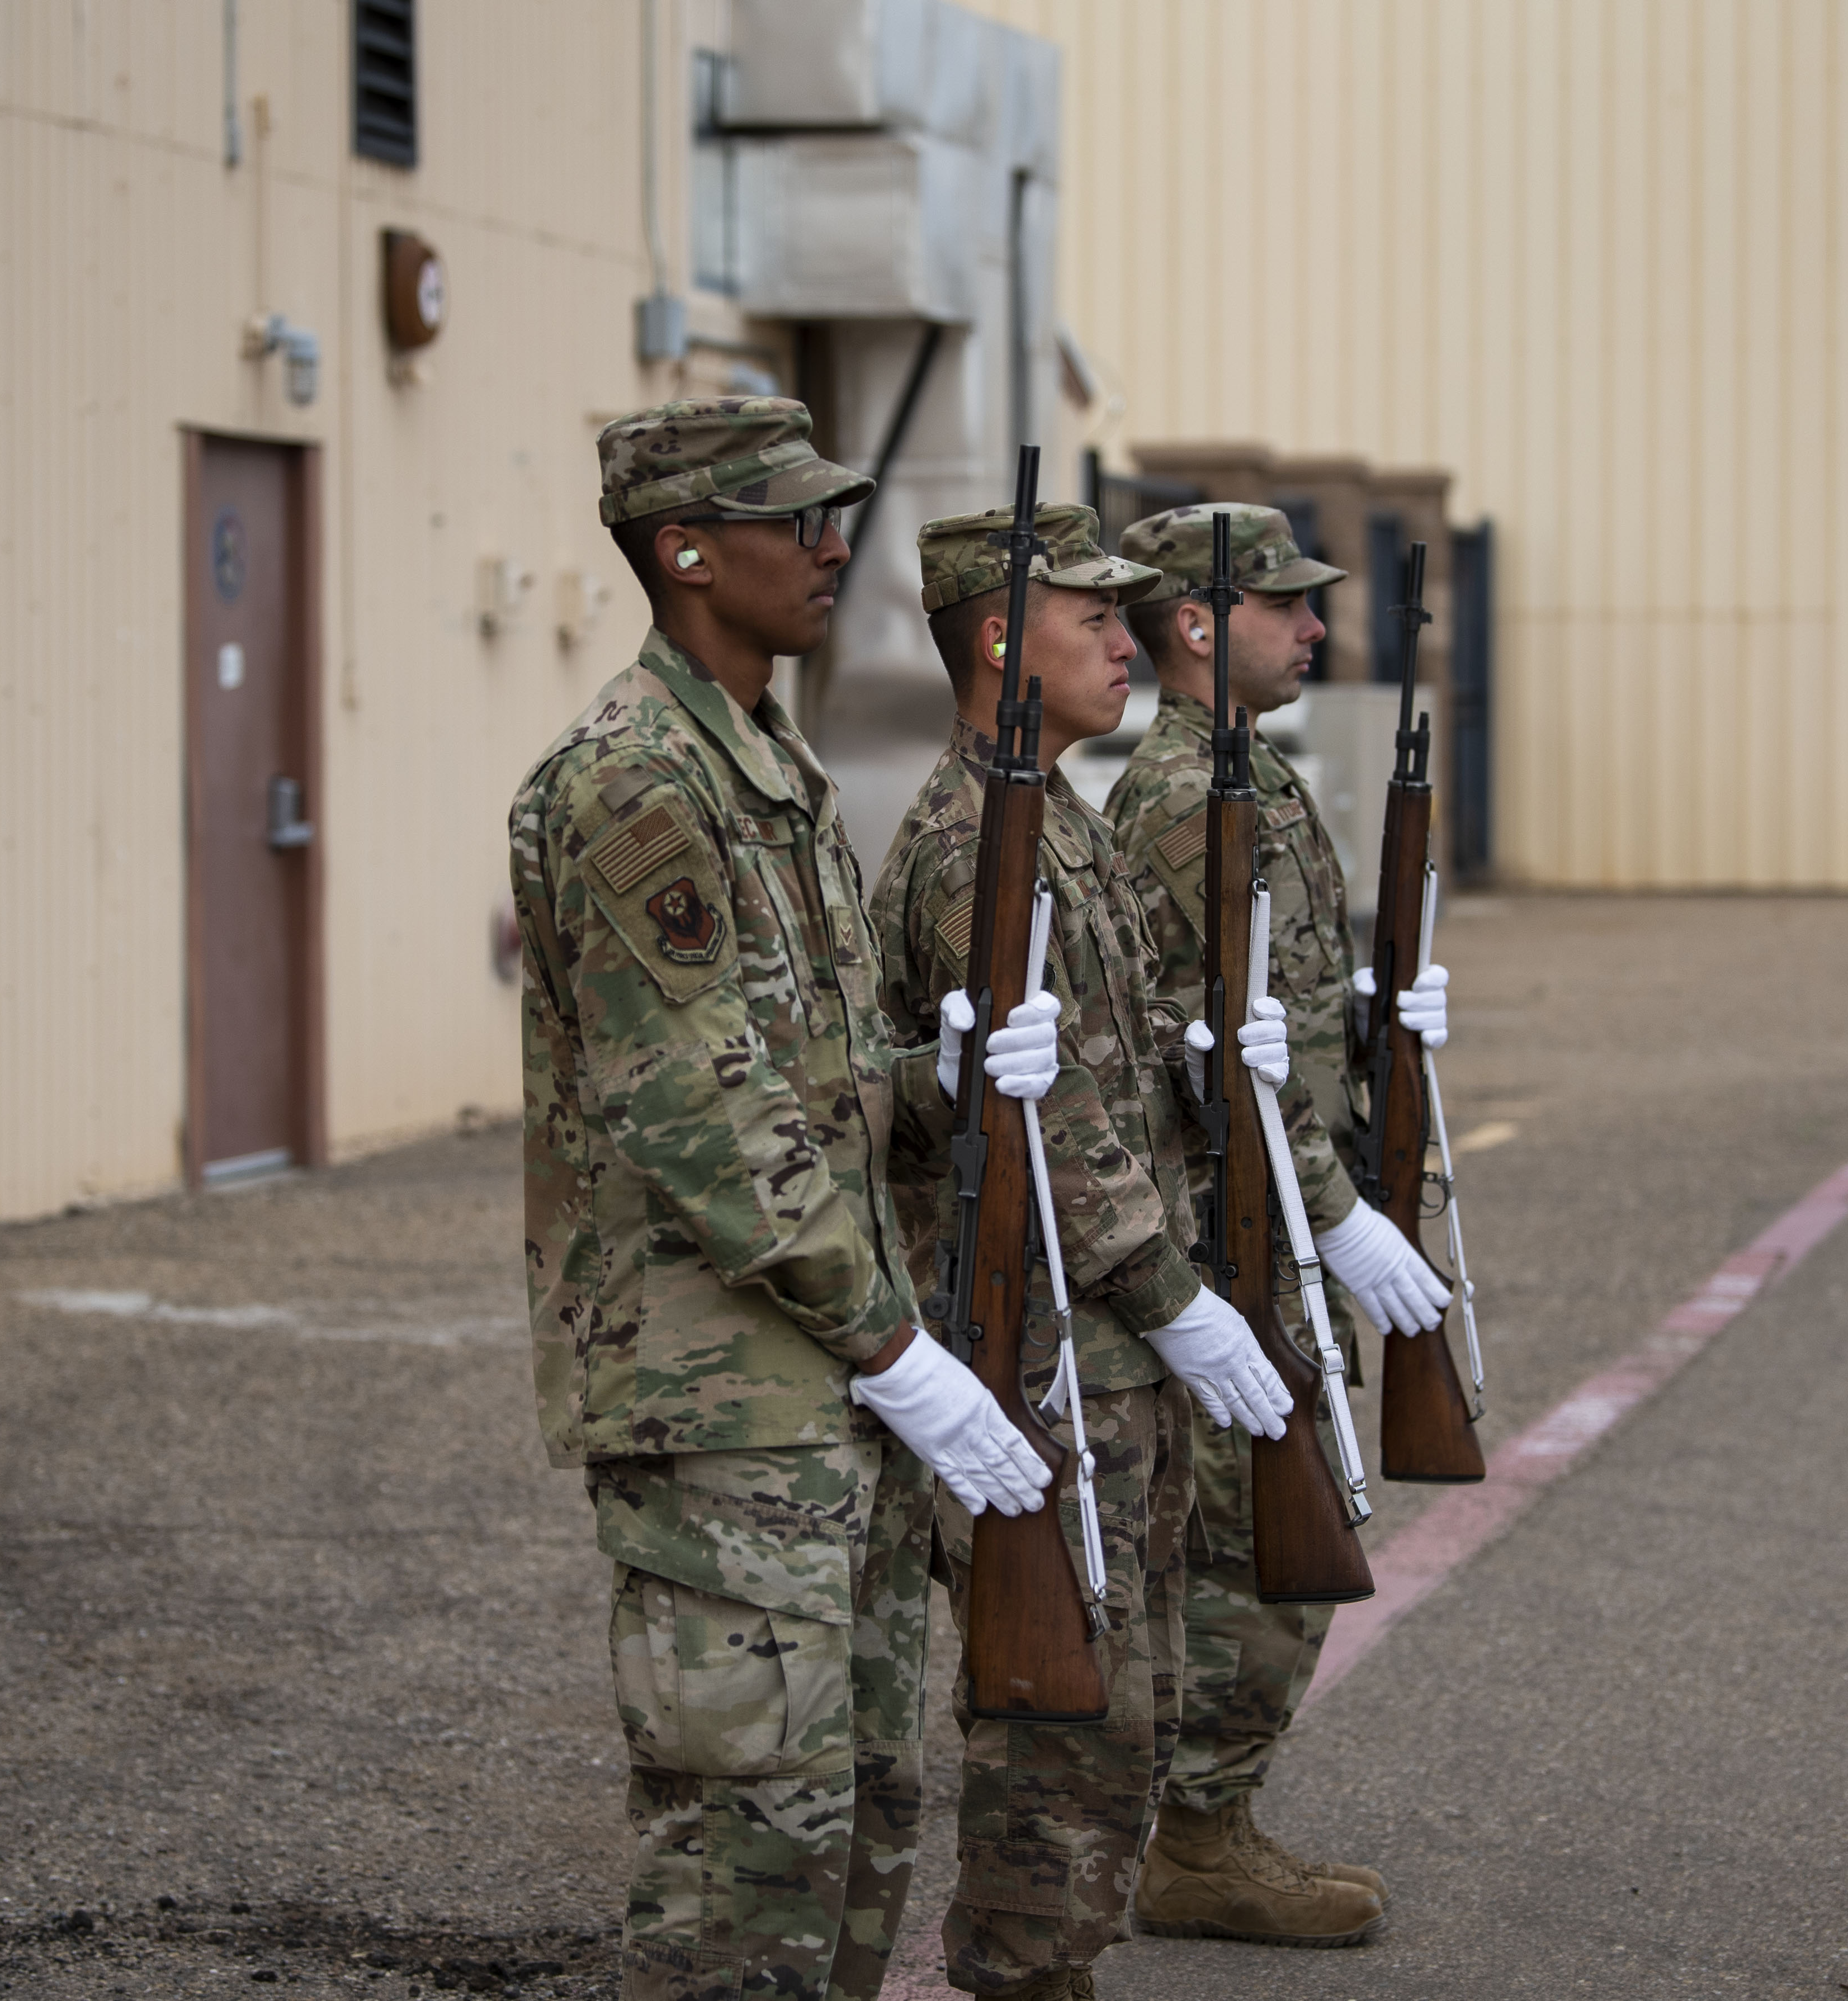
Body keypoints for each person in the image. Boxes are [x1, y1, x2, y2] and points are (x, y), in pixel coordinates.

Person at [511, 397, 1069, 2001]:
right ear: (686, 551)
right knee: (747, 1853)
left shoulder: (768, 764)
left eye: (838, 515)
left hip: (827, 1384)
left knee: (860, 1819)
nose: (835, 548)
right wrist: (897, 1347)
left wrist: (935, 1076)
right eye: (798, 520)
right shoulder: (635, 783)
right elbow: (701, 1119)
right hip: (726, 1400)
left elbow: (808, 1084)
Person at [869, 501, 1296, 2001]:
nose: (1131, 641)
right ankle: (1024, 1972)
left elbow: (1108, 1066)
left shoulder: (1063, 818)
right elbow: (1035, 1122)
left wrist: (1215, 1056)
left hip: (1110, 1345)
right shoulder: (971, 845)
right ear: (1002, 639)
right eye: (1097, 617)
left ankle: (1057, 1967)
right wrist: (1174, 1295)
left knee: (1126, 1701)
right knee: (1061, 1717)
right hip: (1051, 1348)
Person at [1103, 501, 1455, 1947]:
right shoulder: (1187, 800)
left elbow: (1279, 1018)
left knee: (1270, 1534)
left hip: (1280, 1212)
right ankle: (1192, 1838)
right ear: (1198, 624)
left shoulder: (1253, 774)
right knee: (1253, 1545)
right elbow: (1215, 1060)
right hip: (1231, 1225)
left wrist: (1377, 1022)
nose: (1317, 627)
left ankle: (1213, 1822)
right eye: (1287, 604)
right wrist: (1342, 1212)